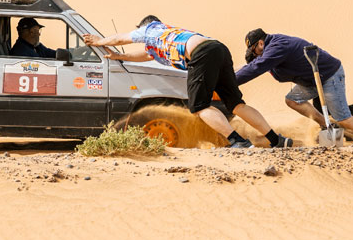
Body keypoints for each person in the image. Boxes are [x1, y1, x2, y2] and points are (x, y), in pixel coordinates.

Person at [83, 15, 292, 149]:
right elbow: (145, 55)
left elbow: (122, 39)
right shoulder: (166, 36)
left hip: (200, 55)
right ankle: (276, 139)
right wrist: (119, 57)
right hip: (218, 49)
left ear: (144, 26)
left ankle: (238, 141)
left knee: (199, 106)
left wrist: (99, 41)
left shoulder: (149, 29)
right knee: (236, 104)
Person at [237, 28, 353, 144]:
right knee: (293, 100)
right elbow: (258, 66)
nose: (255, 56)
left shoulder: (277, 47)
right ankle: (329, 127)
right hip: (312, 80)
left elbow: (257, 67)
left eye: (254, 52)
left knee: (342, 117)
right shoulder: (272, 49)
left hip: (328, 76)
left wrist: (232, 82)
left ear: (261, 44)